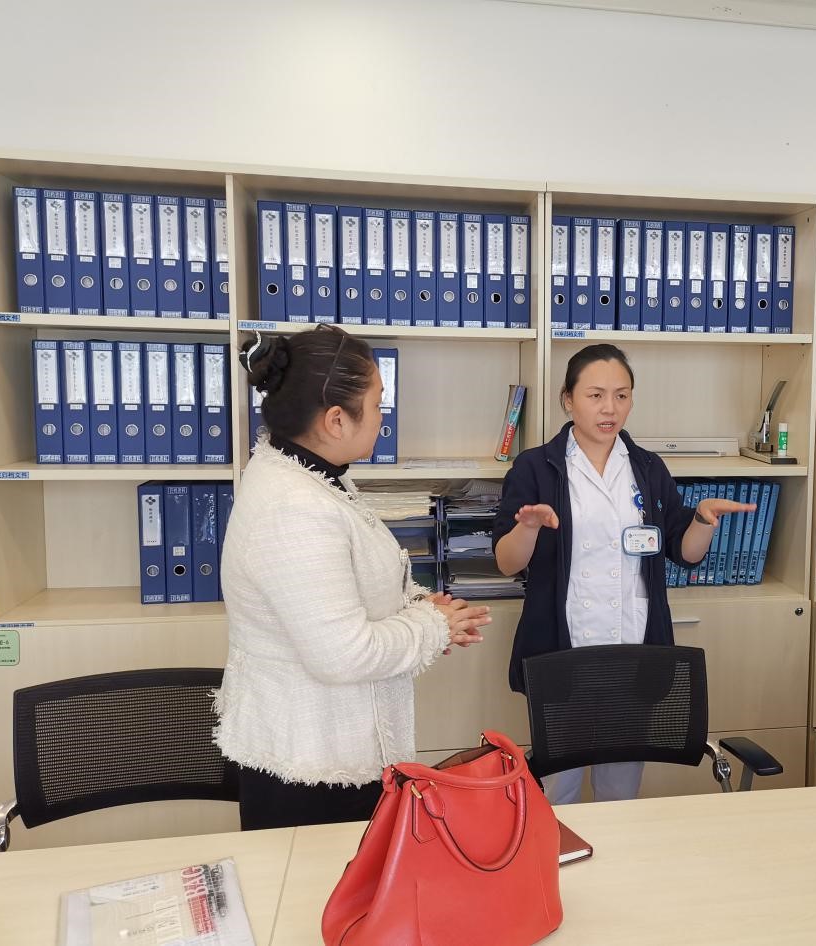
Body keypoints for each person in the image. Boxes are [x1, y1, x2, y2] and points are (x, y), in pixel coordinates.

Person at [215, 325, 491, 830]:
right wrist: (433, 627)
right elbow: (343, 654)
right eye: (378, 403)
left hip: (334, 752)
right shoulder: (293, 508)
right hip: (310, 773)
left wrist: (421, 609)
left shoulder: (313, 474)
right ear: (337, 420)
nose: (384, 417)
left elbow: (351, 588)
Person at [493, 343, 753, 804]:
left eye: (621, 395)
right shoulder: (536, 467)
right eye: (595, 395)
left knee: (621, 790)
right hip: (563, 652)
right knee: (558, 787)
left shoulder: (648, 468)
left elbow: (683, 552)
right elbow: (507, 561)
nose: (609, 408)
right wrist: (528, 527)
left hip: (633, 648)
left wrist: (703, 520)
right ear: (568, 399)